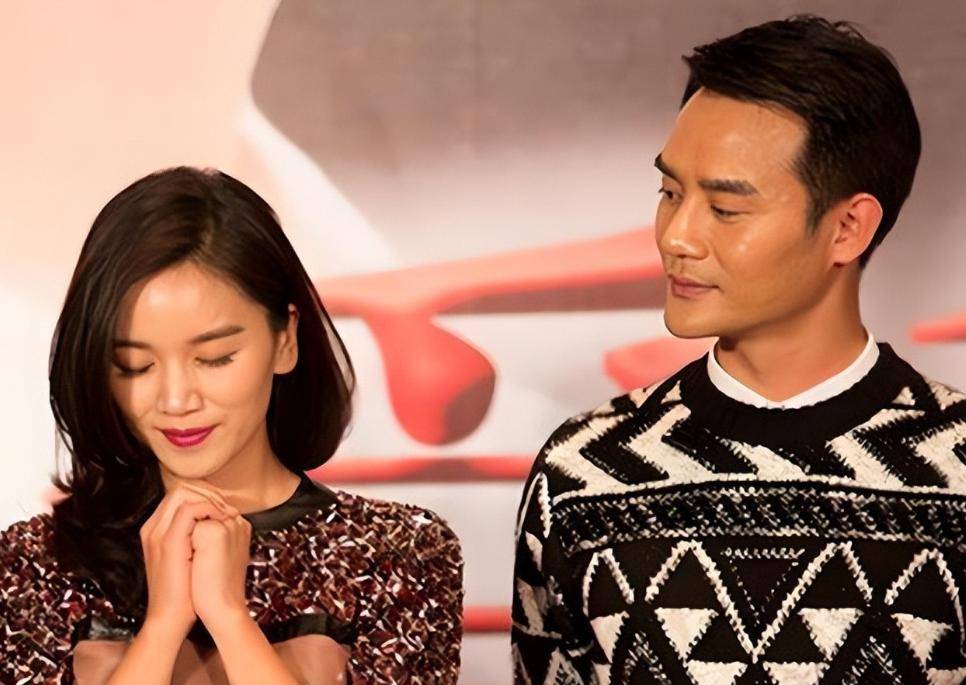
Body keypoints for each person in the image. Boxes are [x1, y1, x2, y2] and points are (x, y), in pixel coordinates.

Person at [511, 14, 965, 684]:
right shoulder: (582, 472)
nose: (677, 236)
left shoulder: (958, 470)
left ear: (848, 227)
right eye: (669, 193)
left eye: (725, 210)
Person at [0, 167, 463, 683]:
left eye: (215, 358)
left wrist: (228, 617)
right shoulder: (38, 565)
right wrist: (163, 625)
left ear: (285, 340)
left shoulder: (394, 556)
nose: (176, 400)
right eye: (135, 366)